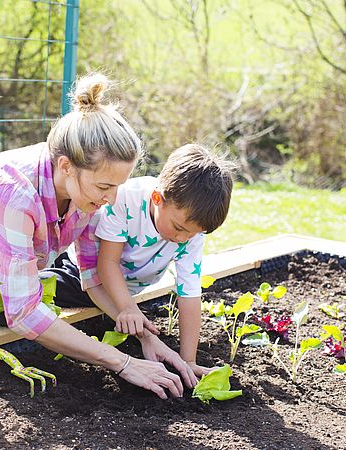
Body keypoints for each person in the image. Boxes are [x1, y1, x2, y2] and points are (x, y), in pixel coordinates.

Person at [0, 73, 192, 399]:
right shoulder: (13, 191)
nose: (113, 199)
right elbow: (23, 313)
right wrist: (121, 362)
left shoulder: (86, 195)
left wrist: (147, 338)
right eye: (106, 187)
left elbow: (92, 277)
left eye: (118, 186)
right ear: (66, 166)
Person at [43, 144, 234, 384]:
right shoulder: (126, 199)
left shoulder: (190, 230)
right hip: (81, 274)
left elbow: (190, 293)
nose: (183, 239)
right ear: (158, 199)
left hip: (124, 288)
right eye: (178, 228)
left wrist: (189, 361)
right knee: (36, 291)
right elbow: (107, 264)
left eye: (194, 234)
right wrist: (127, 308)